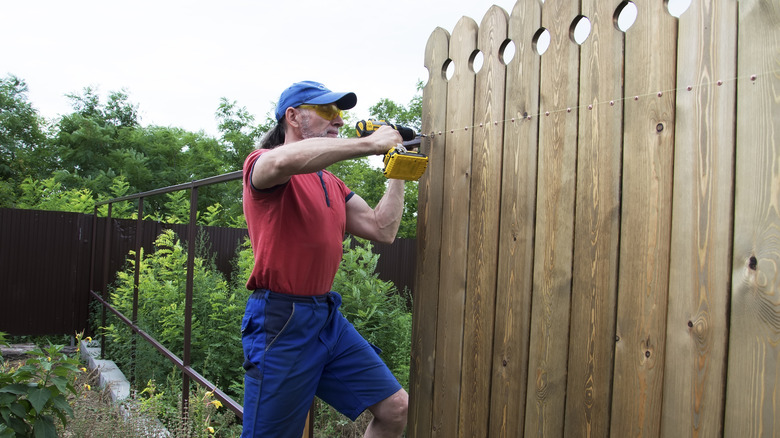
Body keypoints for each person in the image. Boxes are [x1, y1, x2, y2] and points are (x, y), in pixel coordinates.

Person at [241, 80, 408, 438]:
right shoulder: (263, 165)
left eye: (340, 114)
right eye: (328, 112)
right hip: (280, 321)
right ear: (293, 117)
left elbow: (383, 229)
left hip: (325, 317)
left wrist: (399, 167)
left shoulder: (331, 183)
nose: (339, 121)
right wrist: (369, 143)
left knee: (396, 409)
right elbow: (283, 159)